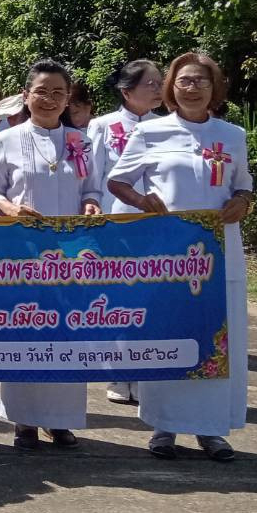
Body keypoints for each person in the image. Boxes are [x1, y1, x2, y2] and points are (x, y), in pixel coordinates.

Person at [108, 52, 254, 461]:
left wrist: (243, 201)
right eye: (184, 80)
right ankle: (163, 426)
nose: (192, 87)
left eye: (201, 81)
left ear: (215, 88)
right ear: (171, 87)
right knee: (169, 333)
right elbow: (117, 180)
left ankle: (211, 430)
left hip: (219, 251)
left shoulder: (233, 135)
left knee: (216, 335)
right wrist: (141, 200)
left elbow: (243, 186)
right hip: (168, 255)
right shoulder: (151, 132)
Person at [0, 59, 102, 449]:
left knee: (67, 332)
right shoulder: (7, 139)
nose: (49, 100)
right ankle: (24, 420)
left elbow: (92, 189)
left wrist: (91, 205)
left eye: (58, 93)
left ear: (67, 98)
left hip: (70, 254)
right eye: (41, 92)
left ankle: (61, 419)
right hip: (22, 252)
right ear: (26, 95)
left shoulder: (80, 141)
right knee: (25, 329)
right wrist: (10, 209)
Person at [87, 58, 163, 405]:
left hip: (158, 224)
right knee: (117, 299)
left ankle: (146, 369)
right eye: (151, 84)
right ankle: (117, 371)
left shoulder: (168, 126)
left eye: (160, 82)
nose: (159, 89)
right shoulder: (103, 125)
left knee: (151, 298)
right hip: (115, 222)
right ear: (127, 90)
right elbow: (92, 174)